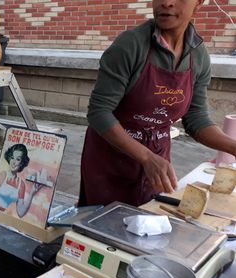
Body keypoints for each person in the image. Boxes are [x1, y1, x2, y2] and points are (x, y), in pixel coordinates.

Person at [79, 0, 236, 207]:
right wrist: (146, 157)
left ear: (198, 3)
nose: (167, 3)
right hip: (110, 160)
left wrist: (233, 147)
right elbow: (99, 112)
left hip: (158, 157)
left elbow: (196, 118)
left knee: (149, 222)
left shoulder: (197, 54)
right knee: (102, 229)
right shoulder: (130, 45)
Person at [0, 143, 41, 217]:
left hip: (3, 217)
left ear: (22, 163)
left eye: (18, 159)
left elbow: (20, 212)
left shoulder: (21, 184)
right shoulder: (3, 175)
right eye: (12, 157)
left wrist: (32, 194)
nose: (13, 162)